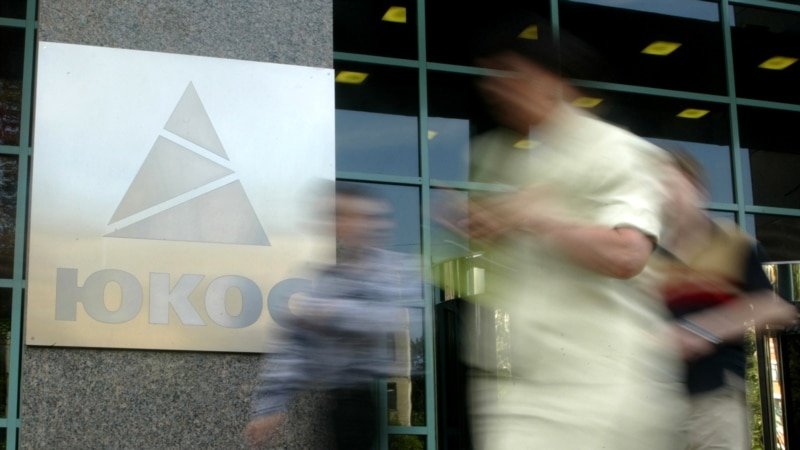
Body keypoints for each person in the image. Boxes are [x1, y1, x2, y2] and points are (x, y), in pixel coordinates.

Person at [453, 14, 689, 450]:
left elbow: (627, 254)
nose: (494, 88)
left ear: (553, 81)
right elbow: (479, 280)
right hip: (520, 394)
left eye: (509, 74)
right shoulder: (503, 160)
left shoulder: (616, 150)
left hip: (600, 398)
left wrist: (538, 219)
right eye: (489, 77)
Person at [244, 182, 418, 449]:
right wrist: (270, 406)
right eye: (339, 216)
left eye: (351, 215)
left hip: (362, 404)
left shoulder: (389, 268)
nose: (343, 223)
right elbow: (296, 347)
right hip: (335, 405)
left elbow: (388, 317)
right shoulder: (329, 279)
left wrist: (334, 311)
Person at [654, 151, 797, 449]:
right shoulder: (654, 260)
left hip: (716, 398)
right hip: (659, 402)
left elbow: (776, 309)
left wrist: (703, 331)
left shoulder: (732, 242)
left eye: (671, 184)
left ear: (696, 189)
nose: (664, 195)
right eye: (657, 187)